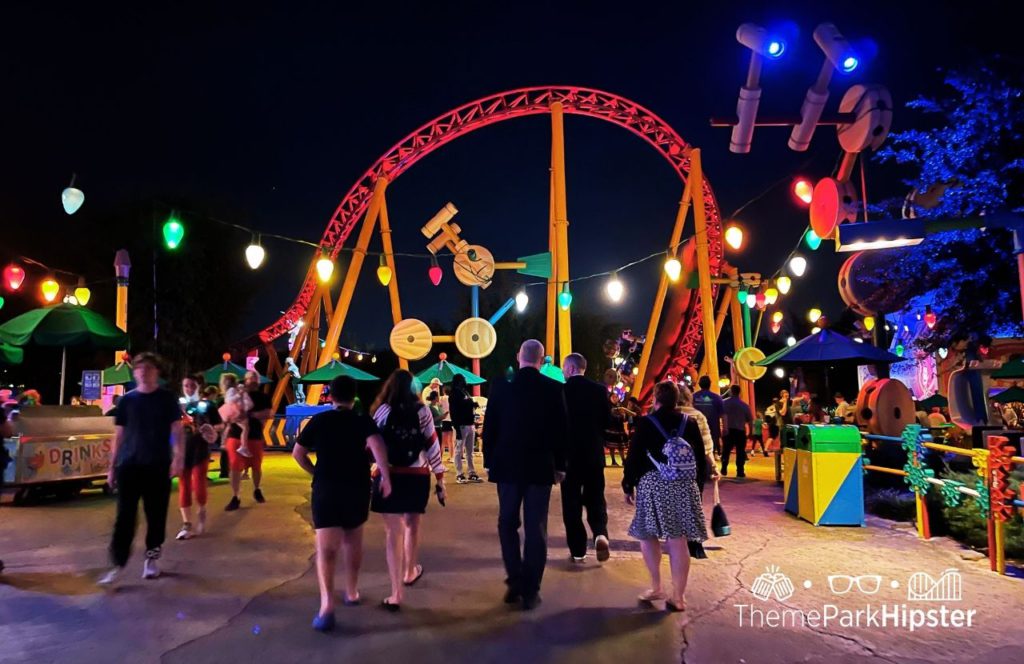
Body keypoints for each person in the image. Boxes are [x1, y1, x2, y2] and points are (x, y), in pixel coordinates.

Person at [293, 375, 393, 632]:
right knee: (352, 540)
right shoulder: (362, 420)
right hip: (356, 487)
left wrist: (314, 471)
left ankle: (327, 604)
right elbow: (378, 445)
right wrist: (385, 475)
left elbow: (298, 453)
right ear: (354, 396)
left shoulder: (319, 420)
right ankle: (351, 591)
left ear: (332, 396)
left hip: (326, 487)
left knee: (326, 549)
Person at [482, 339, 568, 610]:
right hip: (540, 467)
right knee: (536, 528)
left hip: (507, 466)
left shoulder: (500, 389)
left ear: (519, 356)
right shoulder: (554, 389)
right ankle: (531, 589)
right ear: (542, 360)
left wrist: (488, 461)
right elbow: (561, 431)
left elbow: (490, 428)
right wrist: (561, 465)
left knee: (507, 523)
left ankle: (515, 580)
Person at [623, 380, 710, 612]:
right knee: (678, 538)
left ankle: (656, 586)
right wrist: (697, 487)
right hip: (683, 485)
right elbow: (700, 457)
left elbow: (634, 457)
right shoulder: (689, 422)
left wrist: (628, 483)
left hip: (653, 485)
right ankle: (678, 597)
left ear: (656, 399)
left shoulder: (646, 423)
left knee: (647, 533)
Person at [99, 353, 184, 584]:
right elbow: (119, 435)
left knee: (156, 514)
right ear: (134, 373)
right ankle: (118, 563)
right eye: (139, 368)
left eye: (148, 368)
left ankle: (151, 558)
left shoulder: (167, 399)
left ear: (157, 371)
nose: (143, 372)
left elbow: (177, 430)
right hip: (129, 465)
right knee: (124, 516)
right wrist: (112, 466)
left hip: (157, 465)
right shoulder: (127, 401)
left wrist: (178, 457)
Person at [370, 369, 447, 610]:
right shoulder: (422, 411)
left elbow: (372, 442)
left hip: (388, 475)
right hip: (417, 475)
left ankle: (396, 593)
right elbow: (432, 444)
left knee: (393, 533)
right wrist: (440, 480)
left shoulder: (383, 410)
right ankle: (410, 571)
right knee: (412, 524)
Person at [560, 353, 612, 564]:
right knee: (596, 497)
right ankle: (600, 533)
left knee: (571, 504)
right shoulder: (600, 391)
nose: (563, 372)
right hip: (593, 455)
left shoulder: (562, 391)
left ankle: (578, 550)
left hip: (569, 457)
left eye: (564, 368)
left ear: (571, 369)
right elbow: (607, 422)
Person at [176, 382, 222, 540]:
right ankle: (186, 524)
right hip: (182, 451)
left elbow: (220, 424)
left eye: (192, 385)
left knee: (198, 483)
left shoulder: (207, 405)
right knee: (184, 485)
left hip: (200, 450)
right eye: (186, 386)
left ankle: (202, 509)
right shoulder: (178, 405)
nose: (189, 388)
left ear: (198, 387)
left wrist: (211, 430)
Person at [224, 371, 272, 511]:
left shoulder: (263, 397)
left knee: (256, 466)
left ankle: (257, 489)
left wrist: (251, 414)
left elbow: (268, 413)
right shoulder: (235, 394)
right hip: (235, 435)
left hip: (255, 435)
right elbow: (226, 411)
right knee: (234, 466)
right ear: (244, 380)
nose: (252, 380)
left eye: (255, 378)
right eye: (250, 378)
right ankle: (235, 496)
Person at [677, 386, 715, 493]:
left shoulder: (665, 416)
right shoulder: (698, 415)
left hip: (670, 467)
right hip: (693, 466)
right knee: (694, 502)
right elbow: (706, 446)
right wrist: (713, 465)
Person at [449, 374, 481, 483]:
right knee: (459, 450)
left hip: (470, 424)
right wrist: (456, 428)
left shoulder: (464, 392)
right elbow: (454, 412)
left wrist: (473, 404)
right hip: (461, 425)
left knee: (470, 451)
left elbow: (467, 404)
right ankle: (459, 474)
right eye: (463, 379)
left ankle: (471, 472)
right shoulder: (454, 394)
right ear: (459, 381)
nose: (465, 381)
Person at [720, 385, 753, 478]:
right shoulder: (744, 405)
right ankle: (740, 471)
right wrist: (751, 432)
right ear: (739, 392)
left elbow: (721, 416)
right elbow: (750, 420)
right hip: (740, 431)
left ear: (730, 391)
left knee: (726, 451)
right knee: (740, 452)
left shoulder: (724, 403)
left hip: (728, 430)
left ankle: (724, 468)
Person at [219, 374, 254, 458]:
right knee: (245, 427)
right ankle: (243, 446)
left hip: (233, 410)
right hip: (234, 410)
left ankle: (225, 443)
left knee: (231, 426)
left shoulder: (232, 390)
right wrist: (240, 393)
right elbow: (229, 400)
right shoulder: (232, 390)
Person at [692, 376, 725, 456]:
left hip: (697, 428)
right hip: (713, 429)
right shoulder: (717, 398)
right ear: (710, 384)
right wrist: (725, 428)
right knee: (711, 452)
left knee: (698, 450)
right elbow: (723, 415)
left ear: (699, 384)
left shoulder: (693, 397)